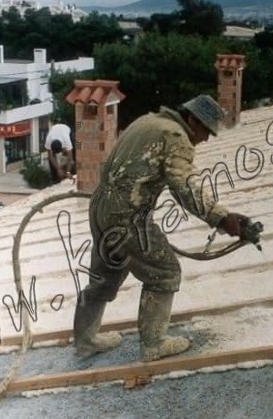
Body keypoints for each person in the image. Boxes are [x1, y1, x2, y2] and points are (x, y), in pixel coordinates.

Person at [73, 94, 250, 361]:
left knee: (104, 275)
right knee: (164, 272)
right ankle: (153, 345)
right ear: (192, 120)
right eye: (206, 131)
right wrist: (221, 218)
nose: (206, 139)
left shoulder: (148, 121)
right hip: (128, 213)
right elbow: (185, 187)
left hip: (101, 206)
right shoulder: (176, 136)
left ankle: (85, 341)